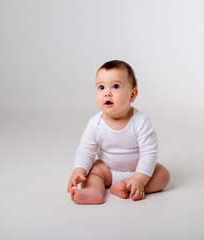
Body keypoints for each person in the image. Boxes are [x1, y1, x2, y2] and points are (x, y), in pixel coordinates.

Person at [67, 60, 170, 204]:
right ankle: (93, 191)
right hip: (107, 170)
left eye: (115, 86)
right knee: (92, 171)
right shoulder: (95, 123)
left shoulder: (141, 122)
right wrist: (79, 170)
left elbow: (149, 153)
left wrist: (139, 179)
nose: (107, 93)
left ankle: (130, 185)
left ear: (132, 95)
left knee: (163, 176)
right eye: (101, 87)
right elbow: (86, 151)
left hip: (137, 170)